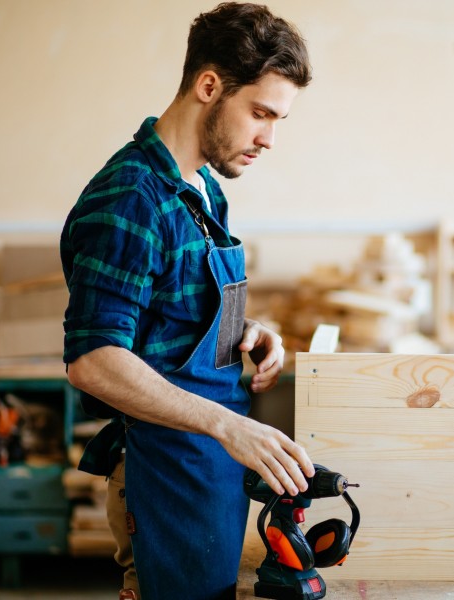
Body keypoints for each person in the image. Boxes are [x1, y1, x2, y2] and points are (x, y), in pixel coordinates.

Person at [59, 4, 315, 599]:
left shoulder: (200, 188)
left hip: (208, 463)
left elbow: (169, 309)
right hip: (164, 471)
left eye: (279, 120)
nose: (269, 139)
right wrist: (230, 428)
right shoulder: (130, 199)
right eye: (260, 113)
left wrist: (245, 329)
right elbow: (93, 359)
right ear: (208, 86)